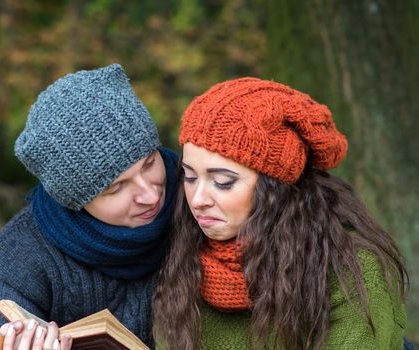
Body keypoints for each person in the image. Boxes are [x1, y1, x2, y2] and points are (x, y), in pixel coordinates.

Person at [152, 77, 409, 349]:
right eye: (190, 178)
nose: (198, 199)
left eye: (223, 182)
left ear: (273, 187)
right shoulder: (184, 259)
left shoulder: (352, 270)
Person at [0, 63, 178, 350]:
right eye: (117, 187)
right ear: (75, 201)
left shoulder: (198, 204)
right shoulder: (23, 251)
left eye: (150, 163)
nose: (150, 195)